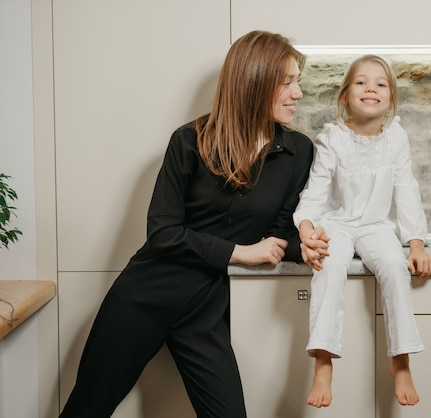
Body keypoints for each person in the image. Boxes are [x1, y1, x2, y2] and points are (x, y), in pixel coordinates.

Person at [60, 30, 316, 418]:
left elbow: (278, 232)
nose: (298, 93)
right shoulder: (188, 141)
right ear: (254, 81)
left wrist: (305, 244)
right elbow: (162, 233)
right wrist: (240, 252)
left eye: (298, 82)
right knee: (87, 409)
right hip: (145, 295)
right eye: (288, 82)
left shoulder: (299, 151)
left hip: (207, 307)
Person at [293, 54, 431, 409]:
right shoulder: (333, 139)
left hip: (375, 226)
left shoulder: (396, 139)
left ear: (390, 99)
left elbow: (406, 190)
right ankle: (324, 361)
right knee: (329, 266)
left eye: (380, 83)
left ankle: (401, 359)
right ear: (345, 96)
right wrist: (308, 230)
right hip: (336, 223)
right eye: (361, 82)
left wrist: (415, 245)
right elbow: (315, 190)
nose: (370, 87)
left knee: (394, 266)